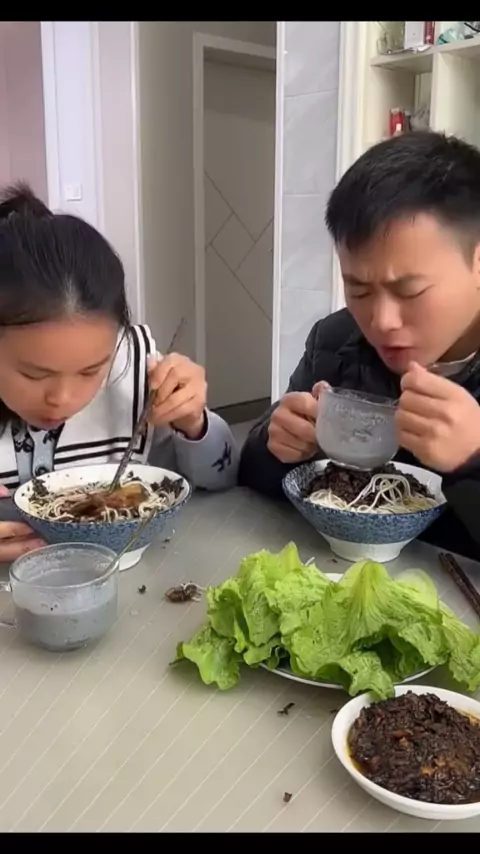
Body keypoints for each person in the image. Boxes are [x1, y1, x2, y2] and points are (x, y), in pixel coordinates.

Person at [239, 130, 480, 560]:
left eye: (409, 290)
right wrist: (276, 447)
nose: (382, 322)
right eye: (359, 290)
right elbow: (256, 483)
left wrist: (473, 459)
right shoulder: (335, 342)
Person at [0, 183, 238, 562]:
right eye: (34, 375)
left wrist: (194, 423)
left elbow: (221, 477)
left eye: (90, 371)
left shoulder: (134, 368)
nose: (62, 399)